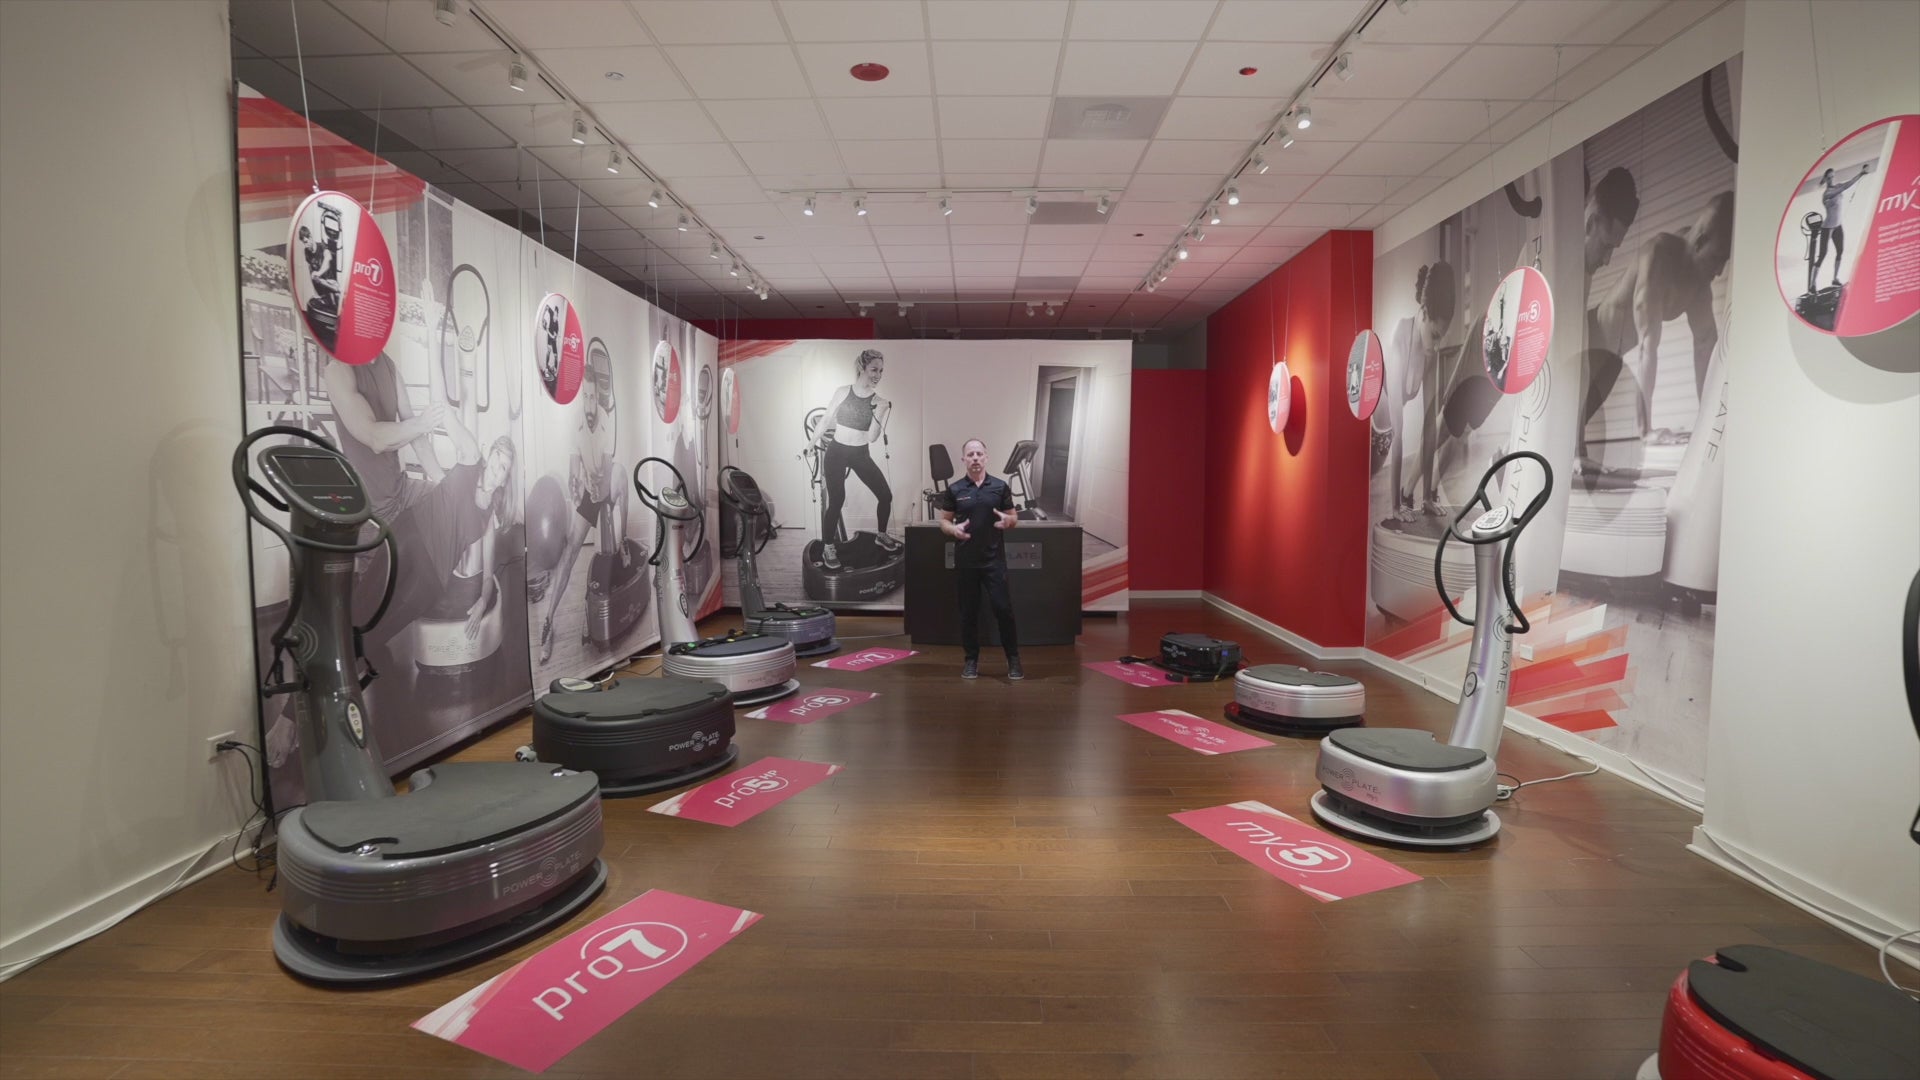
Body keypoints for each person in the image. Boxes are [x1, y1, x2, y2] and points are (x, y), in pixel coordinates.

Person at [1582, 191, 1735, 463]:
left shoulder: (1699, 279)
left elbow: (1705, 348)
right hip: (1587, 342)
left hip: (1611, 359)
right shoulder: (1659, 255)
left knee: (1574, 439)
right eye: (1718, 258)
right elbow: (1647, 347)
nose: (1720, 270)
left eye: (1725, 259)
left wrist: (1706, 424)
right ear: (1700, 242)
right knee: (1568, 436)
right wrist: (1646, 430)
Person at [538, 345, 627, 662]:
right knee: (570, 551)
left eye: (592, 397)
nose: (589, 403)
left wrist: (596, 485)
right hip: (590, 488)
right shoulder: (575, 424)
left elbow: (605, 480)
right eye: (585, 397)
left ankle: (623, 547)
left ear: (597, 396)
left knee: (621, 478)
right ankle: (549, 621)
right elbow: (573, 473)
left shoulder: (606, 421)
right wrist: (576, 489)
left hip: (605, 484)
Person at [937, 438, 1021, 681]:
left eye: (979, 454)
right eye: (970, 454)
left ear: (986, 457)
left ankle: (1013, 659)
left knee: (1004, 610)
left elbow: (1014, 518)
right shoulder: (955, 490)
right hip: (966, 562)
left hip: (994, 561)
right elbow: (944, 520)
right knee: (968, 613)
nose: (975, 458)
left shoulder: (1000, 487)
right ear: (964, 459)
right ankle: (971, 660)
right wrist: (952, 530)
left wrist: (1008, 522)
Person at [814, 349, 897, 569]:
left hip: (860, 454)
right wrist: (809, 445)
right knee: (837, 501)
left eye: (880, 371)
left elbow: (872, 437)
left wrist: (880, 413)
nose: (878, 375)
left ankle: (881, 534)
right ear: (862, 368)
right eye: (874, 370)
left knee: (886, 495)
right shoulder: (843, 391)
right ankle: (828, 546)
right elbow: (824, 420)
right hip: (837, 452)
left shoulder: (879, 401)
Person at [1809, 163, 1872, 293]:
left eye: (1833, 176)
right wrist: (1860, 174)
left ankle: (1835, 278)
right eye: (1829, 177)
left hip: (1838, 225)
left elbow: (1844, 186)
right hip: (1827, 227)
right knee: (1822, 255)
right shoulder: (1827, 193)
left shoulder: (1837, 187)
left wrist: (1861, 174)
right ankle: (1812, 284)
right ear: (1826, 179)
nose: (1832, 179)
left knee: (1840, 251)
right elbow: (1845, 187)